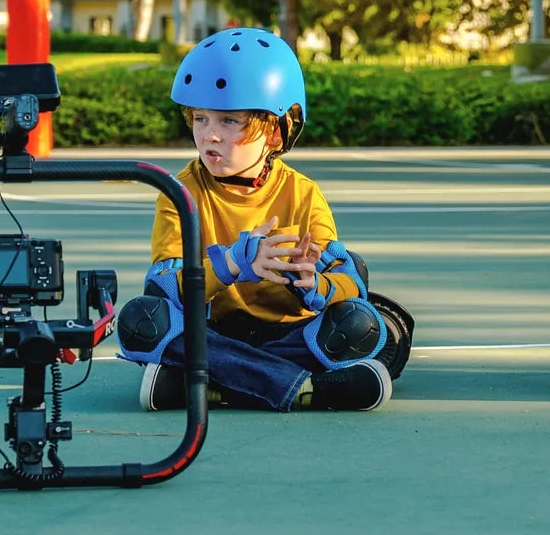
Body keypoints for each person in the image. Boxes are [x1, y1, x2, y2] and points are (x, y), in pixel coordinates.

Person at [115, 27, 410, 412]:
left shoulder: (303, 193)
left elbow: (349, 278)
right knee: (142, 320)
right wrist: (235, 263)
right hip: (216, 334)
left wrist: (315, 283)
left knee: (363, 326)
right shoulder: (180, 191)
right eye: (200, 119)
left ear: (275, 131)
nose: (210, 136)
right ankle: (308, 390)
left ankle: (214, 387)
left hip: (290, 334)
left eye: (229, 121)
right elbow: (164, 286)